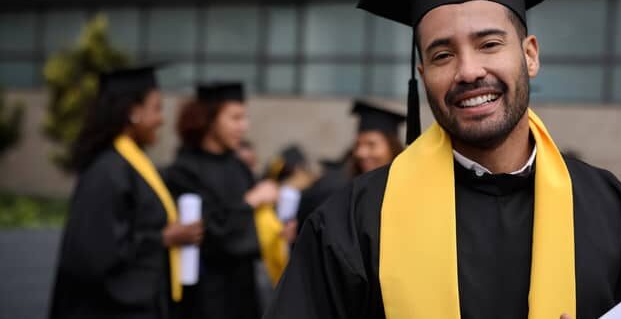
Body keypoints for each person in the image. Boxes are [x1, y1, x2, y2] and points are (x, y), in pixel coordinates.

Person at [263, 0, 621, 319]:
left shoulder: (614, 215)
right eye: (442, 55)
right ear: (423, 74)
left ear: (530, 55)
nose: (468, 71)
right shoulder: (353, 223)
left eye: (489, 44)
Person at [49, 66, 203, 319]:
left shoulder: (131, 163)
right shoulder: (108, 171)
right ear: (133, 112)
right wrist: (163, 239)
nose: (161, 119)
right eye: (156, 108)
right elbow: (95, 254)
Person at [163, 82, 288, 319]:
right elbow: (211, 233)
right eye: (235, 118)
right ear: (208, 119)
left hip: (243, 293)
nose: (244, 126)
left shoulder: (238, 166)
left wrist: (279, 231)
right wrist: (252, 200)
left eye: (245, 118)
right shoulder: (184, 170)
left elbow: (254, 231)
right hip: (203, 296)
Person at [295, 100, 405, 227]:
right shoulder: (344, 189)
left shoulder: (405, 188)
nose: (361, 153)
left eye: (371, 144)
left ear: (392, 146)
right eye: (358, 144)